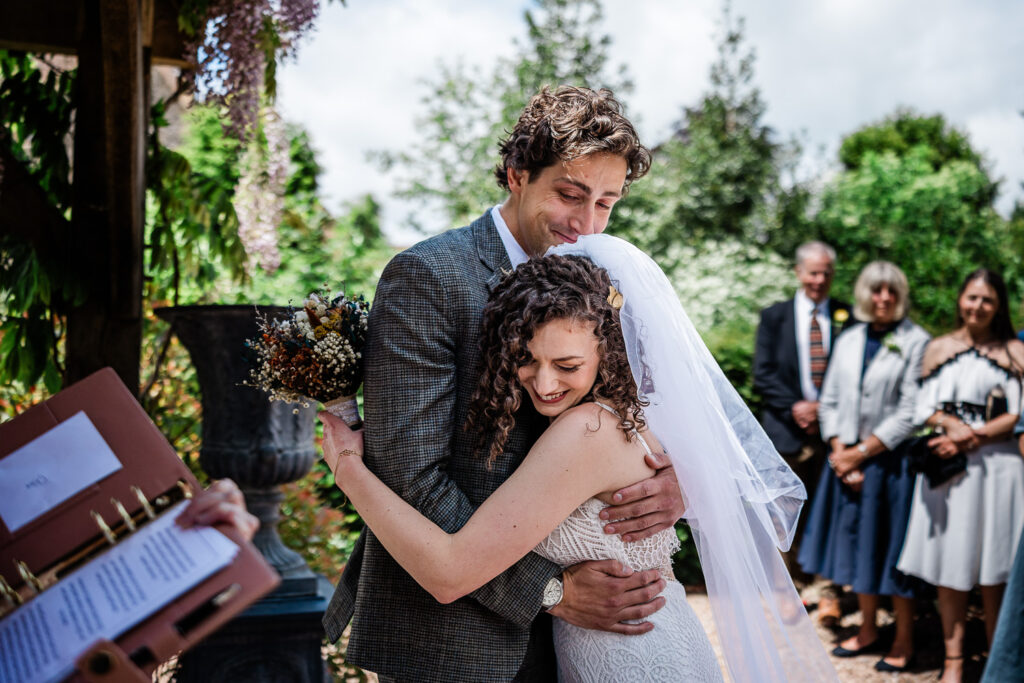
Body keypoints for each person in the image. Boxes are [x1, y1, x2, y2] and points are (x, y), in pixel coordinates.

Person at [322, 237, 838, 682]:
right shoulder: (624, 415)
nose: (543, 384)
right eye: (525, 359)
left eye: (567, 365)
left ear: (607, 352)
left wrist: (349, 470)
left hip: (637, 662)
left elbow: (450, 572)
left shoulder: (586, 430)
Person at [322, 86, 687, 682]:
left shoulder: (606, 282)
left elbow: (647, 416)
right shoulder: (430, 277)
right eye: (570, 194)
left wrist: (673, 484)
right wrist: (548, 591)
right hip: (461, 640)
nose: (586, 222)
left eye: (606, 203)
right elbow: (409, 475)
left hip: (589, 642)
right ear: (517, 174)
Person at [797, 261, 930, 672]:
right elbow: (831, 398)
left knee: (892, 551)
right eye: (876, 290)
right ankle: (868, 628)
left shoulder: (917, 341)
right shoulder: (852, 337)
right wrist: (841, 453)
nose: (884, 298)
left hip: (891, 465)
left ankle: (905, 639)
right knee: (859, 549)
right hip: (847, 463)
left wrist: (861, 453)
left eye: (891, 291)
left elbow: (912, 410)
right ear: (865, 295)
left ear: (901, 295)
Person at [896, 268, 1024, 683]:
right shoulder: (938, 347)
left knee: (995, 569)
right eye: (972, 298)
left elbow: (1018, 413)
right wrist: (949, 429)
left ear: (999, 304)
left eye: (987, 300)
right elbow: (919, 408)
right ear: (960, 300)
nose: (978, 306)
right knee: (951, 566)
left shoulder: (1015, 352)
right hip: (946, 471)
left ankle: (997, 663)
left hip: (998, 471)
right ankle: (953, 662)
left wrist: (971, 436)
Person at [753, 241, 852, 620]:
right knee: (783, 512)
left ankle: (827, 593)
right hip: (785, 431)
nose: (820, 280)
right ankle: (786, 591)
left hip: (833, 434)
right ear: (798, 272)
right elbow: (763, 374)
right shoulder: (774, 317)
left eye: (826, 273)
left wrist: (823, 409)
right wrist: (798, 407)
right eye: (813, 272)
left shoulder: (848, 316)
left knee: (829, 513)